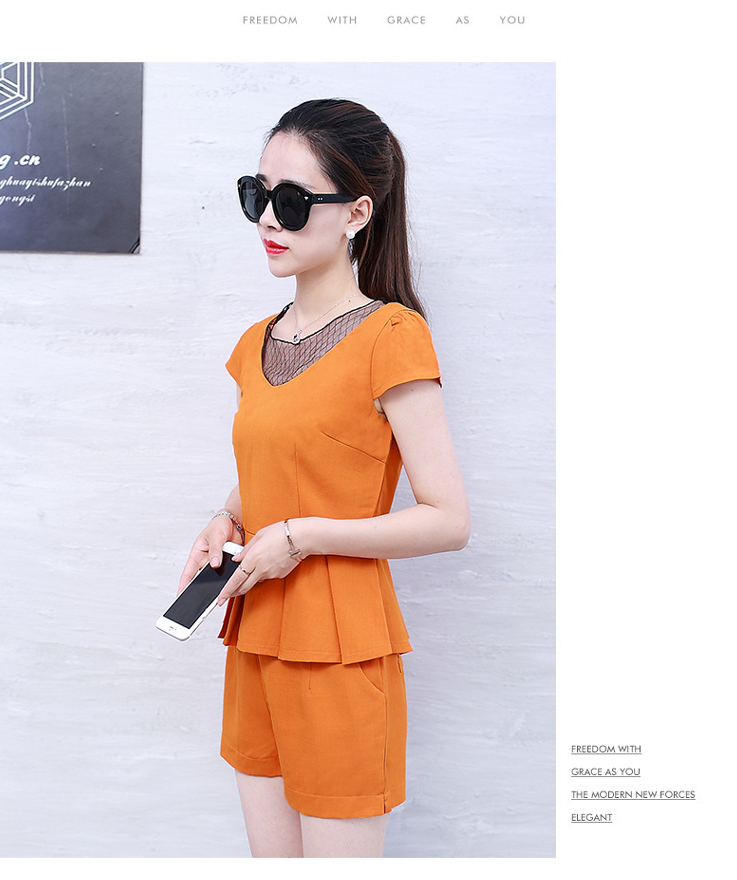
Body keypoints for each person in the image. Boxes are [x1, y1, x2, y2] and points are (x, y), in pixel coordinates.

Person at [178, 98, 470, 858]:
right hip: (254, 635)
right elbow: (275, 470)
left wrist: (301, 537)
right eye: (257, 194)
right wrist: (226, 518)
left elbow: (448, 519)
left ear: (356, 213)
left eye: (292, 200)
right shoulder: (255, 342)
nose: (267, 219)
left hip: (340, 646)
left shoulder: (392, 335)